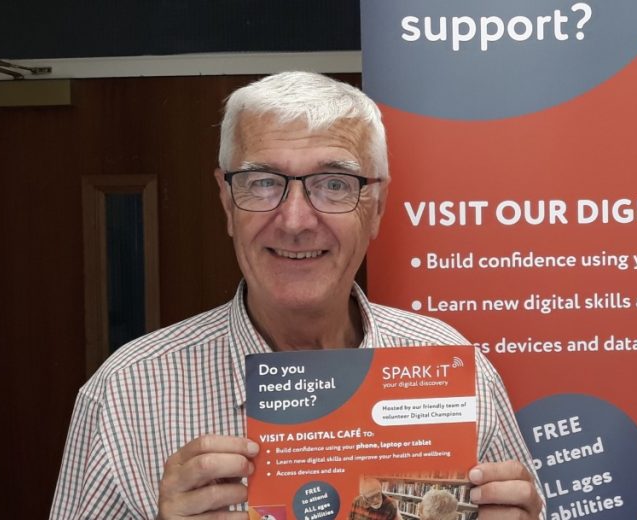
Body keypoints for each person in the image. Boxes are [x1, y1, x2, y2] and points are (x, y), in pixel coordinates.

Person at [50, 71, 543, 520]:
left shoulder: (453, 367)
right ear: (227, 201)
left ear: (376, 207)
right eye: (264, 182)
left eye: (334, 184)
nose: (295, 221)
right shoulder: (125, 394)